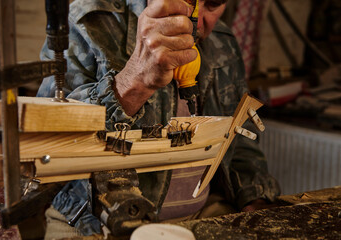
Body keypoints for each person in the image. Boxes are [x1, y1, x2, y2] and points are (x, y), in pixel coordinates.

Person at [37, 0, 280, 238]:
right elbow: (47, 144)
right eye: (188, 3)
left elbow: (241, 134)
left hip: (202, 214)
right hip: (91, 221)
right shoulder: (87, 21)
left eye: (214, 4)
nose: (199, 24)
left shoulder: (222, 41)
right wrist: (134, 81)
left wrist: (254, 196)